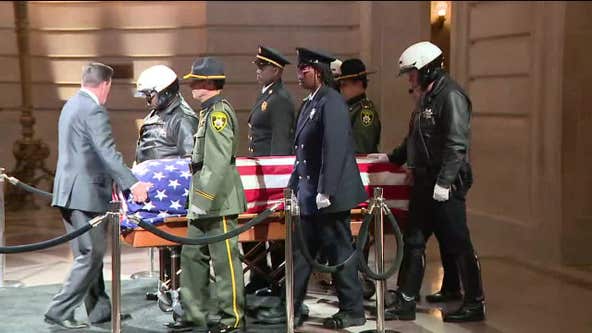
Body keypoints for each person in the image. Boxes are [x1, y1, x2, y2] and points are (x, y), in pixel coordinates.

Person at [257, 48, 367, 330]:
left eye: (302, 70)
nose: (298, 75)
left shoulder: (331, 102)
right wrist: (295, 184)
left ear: (317, 71)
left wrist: (326, 190)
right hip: (311, 195)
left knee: (339, 253)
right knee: (302, 254)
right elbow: (303, 150)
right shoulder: (312, 102)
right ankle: (290, 307)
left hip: (330, 197)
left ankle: (353, 309)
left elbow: (336, 147)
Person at [377, 41, 485, 322]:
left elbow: (456, 145)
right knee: (413, 241)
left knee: (458, 243)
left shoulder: (450, 96)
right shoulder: (428, 96)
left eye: (412, 73)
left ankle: (475, 302)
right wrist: (389, 158)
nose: (410, 79)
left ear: (427, 69)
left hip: (445, 184)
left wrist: (445, 183)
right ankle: (405, 301)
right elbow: (414, 139)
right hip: (425, 182)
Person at [45, 62, 151, 329]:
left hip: (68, 192)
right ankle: (58, 311)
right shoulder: (94, 110)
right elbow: (107, 153)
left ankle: (100, 311)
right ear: (106, 85)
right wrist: (133, 184)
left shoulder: (71, 104)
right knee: (91, 255)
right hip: (85, 193)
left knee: (87, 253)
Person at [167, 57, 247, 333]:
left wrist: (201, 200)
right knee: (192, 258)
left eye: (197, 81)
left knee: (225, 262)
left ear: (211, 83)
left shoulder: (218, 114)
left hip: (218, 202)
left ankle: (233, 319)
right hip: (203, 201)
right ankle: (193, 314)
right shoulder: (206, 111)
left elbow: (217, 163)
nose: (192, 86)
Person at [133, 64, 198, 305]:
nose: (148, 99)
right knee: (164, 243)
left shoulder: (182, 118)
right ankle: (167, 285)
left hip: (173, 196)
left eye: (150, 94)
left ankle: (180, 291)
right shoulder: (159, 112)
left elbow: (189, 161)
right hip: (156, 195)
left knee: (176, 246)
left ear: (166, 92)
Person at [243, 45, 295, 296]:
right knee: (254, 226)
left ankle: (278, 277)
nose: (258, 71)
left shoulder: (280, 99)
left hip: (272, 173)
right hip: (260, 170)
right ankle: (260, 275)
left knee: (274, 231)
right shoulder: (267, 95)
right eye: (257, 66)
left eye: (262, 67)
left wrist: (279, 179)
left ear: (276, 70)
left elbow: (281, 143)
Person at [335, 58, 381, 154]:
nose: (341, 89)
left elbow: (360, 148)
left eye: (344, 85)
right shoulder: (349, 108)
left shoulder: (365, 112)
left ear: (359, 84)